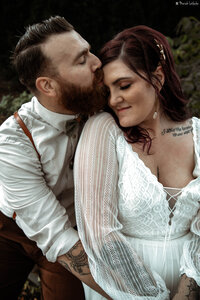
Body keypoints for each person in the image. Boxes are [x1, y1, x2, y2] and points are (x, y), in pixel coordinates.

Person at [74, 25, 200, 299]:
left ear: (157, 78)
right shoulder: (103, 130)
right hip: (124, 287)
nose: (113, 99)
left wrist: (187, 291)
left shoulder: (197, 134)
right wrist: (153, 295)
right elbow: (99, 232)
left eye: (124, 85)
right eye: (107, 90)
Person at [0, 16, 110, 300]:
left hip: (73, 231)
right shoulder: (12, 142)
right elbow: (52, 233)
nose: (98, 62)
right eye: (81, 60)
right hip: (9, 233)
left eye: (89, 50)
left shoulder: (99, 99)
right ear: (48, 86)